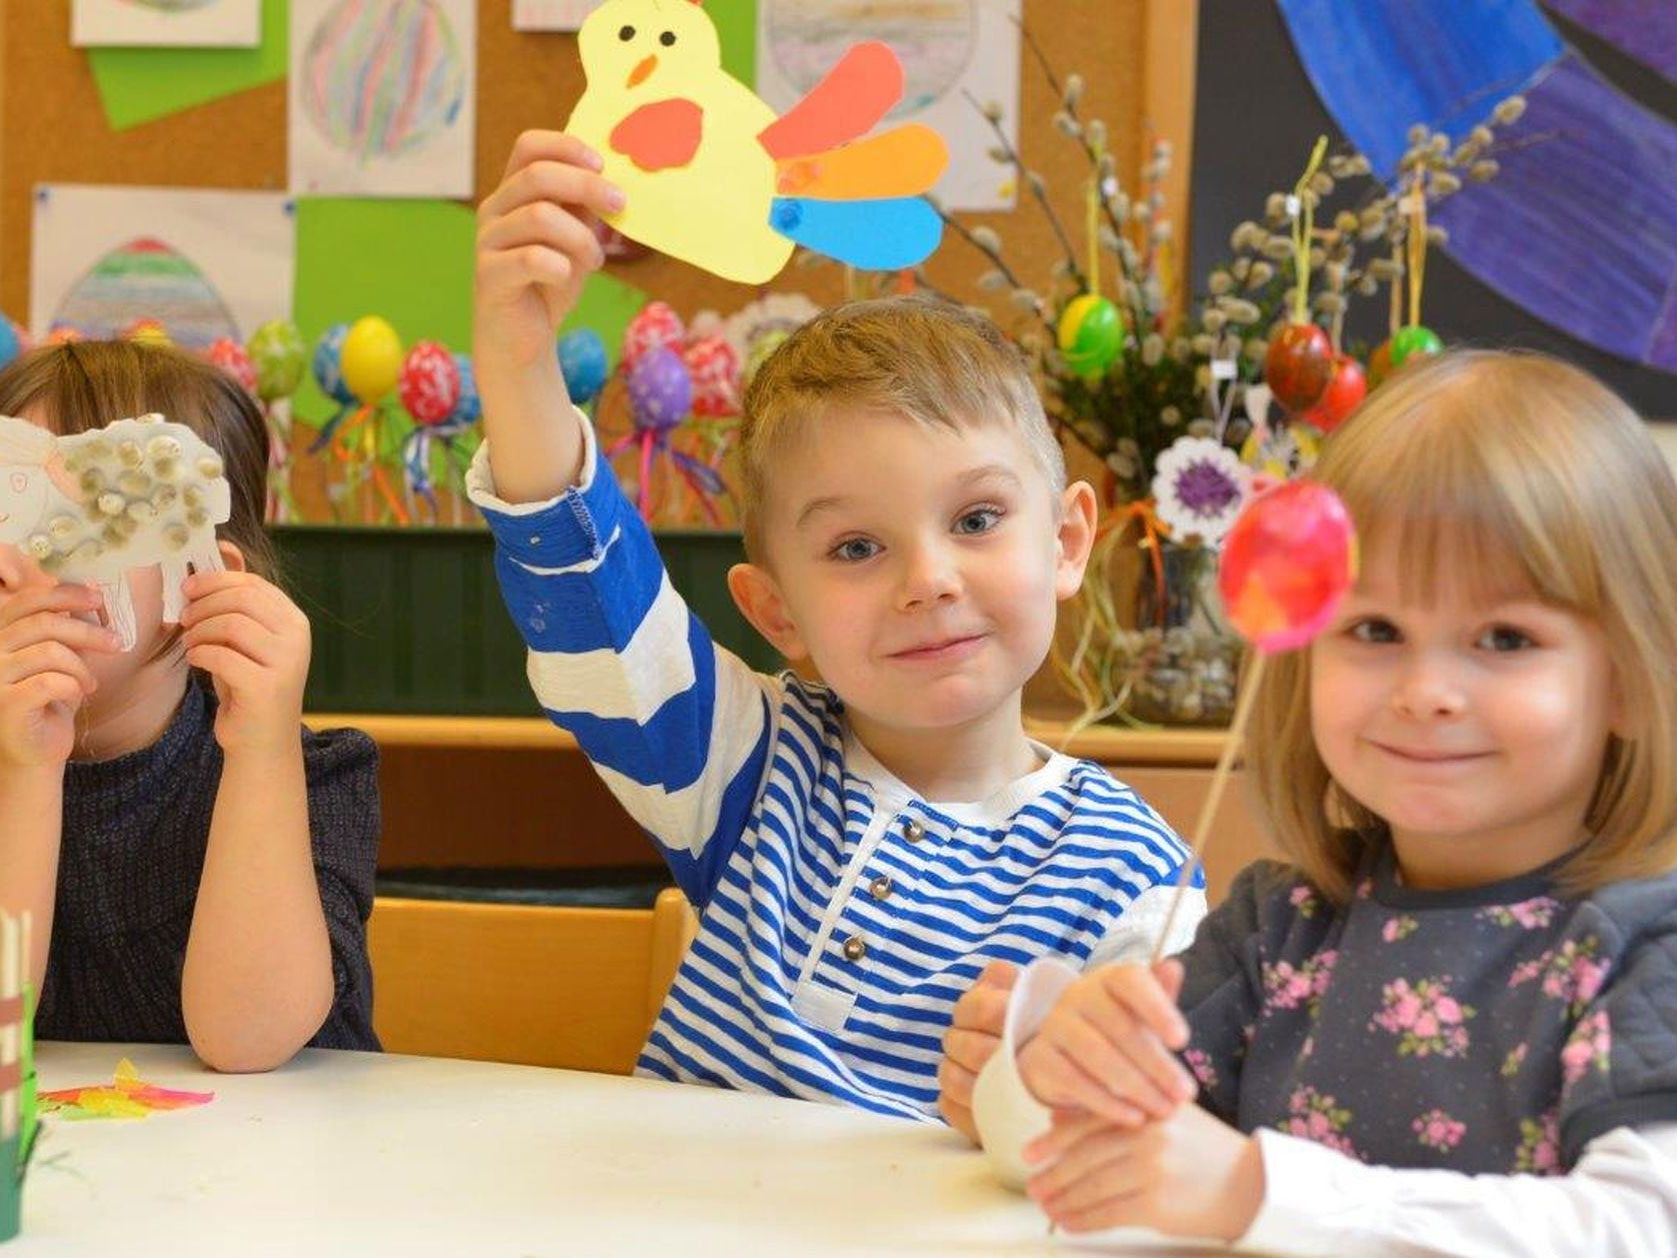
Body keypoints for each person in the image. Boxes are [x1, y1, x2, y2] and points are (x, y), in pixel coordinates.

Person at [466, 129, 1205, 1120]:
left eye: (977, 519)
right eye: (857, 548)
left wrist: (1066, 1084)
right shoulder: (745, 763)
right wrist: (517, 357)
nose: (928, 580)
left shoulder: (1135, 877)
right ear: (779, 612)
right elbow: (598, 609)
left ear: (1067, 540)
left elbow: (1172, 1132)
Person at [969, 349, 1677, 1253]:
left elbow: (1638, 1228)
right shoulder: (1280, 927)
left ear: (1628, 680)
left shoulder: (1641, 945)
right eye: (1374, 629)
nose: (1426, 690)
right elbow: (1062, 1163)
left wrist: (1251, 1191)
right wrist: (1043, 1065)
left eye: (1504, 637)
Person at [0, 340, 380, 1071]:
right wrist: (27, 772)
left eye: (69, 524)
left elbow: (247, 1040)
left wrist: (261, 752)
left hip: (266, 1169)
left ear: (197, 579)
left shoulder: (314, 775)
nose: (13, 560)